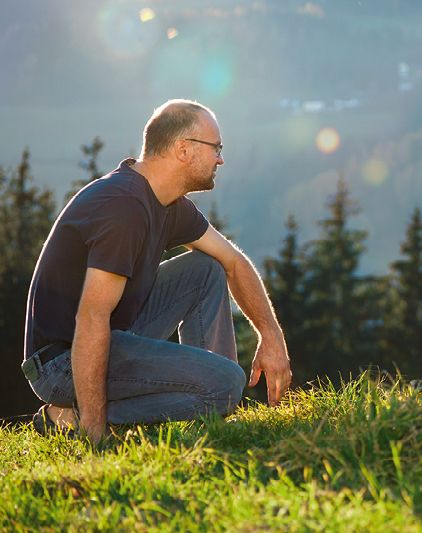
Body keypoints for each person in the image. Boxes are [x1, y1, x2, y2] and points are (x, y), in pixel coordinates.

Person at [22, 99, 291, 443]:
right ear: (183, 149)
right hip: (62, 362)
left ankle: (217, 411)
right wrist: (95, 430)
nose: (220, 159)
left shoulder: (169, 205)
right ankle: (72, 417)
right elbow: (91, 319)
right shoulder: (123, 207)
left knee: (205, 268)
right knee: (227, 384)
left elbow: (233, 262)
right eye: (216, 148)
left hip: (115, 333)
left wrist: (271, 336)